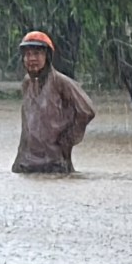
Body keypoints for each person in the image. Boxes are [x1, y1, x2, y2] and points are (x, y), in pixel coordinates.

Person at [11, 31, 96, 174]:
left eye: (37, 54)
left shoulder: (61, 82)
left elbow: (87, 111)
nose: (31, 59)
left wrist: (66, 140)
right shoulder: (27, 83)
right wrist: (18, 162)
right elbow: (27, 126)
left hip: (55, 164)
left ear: (47, 56)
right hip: (27, 164)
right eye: (28, 54)